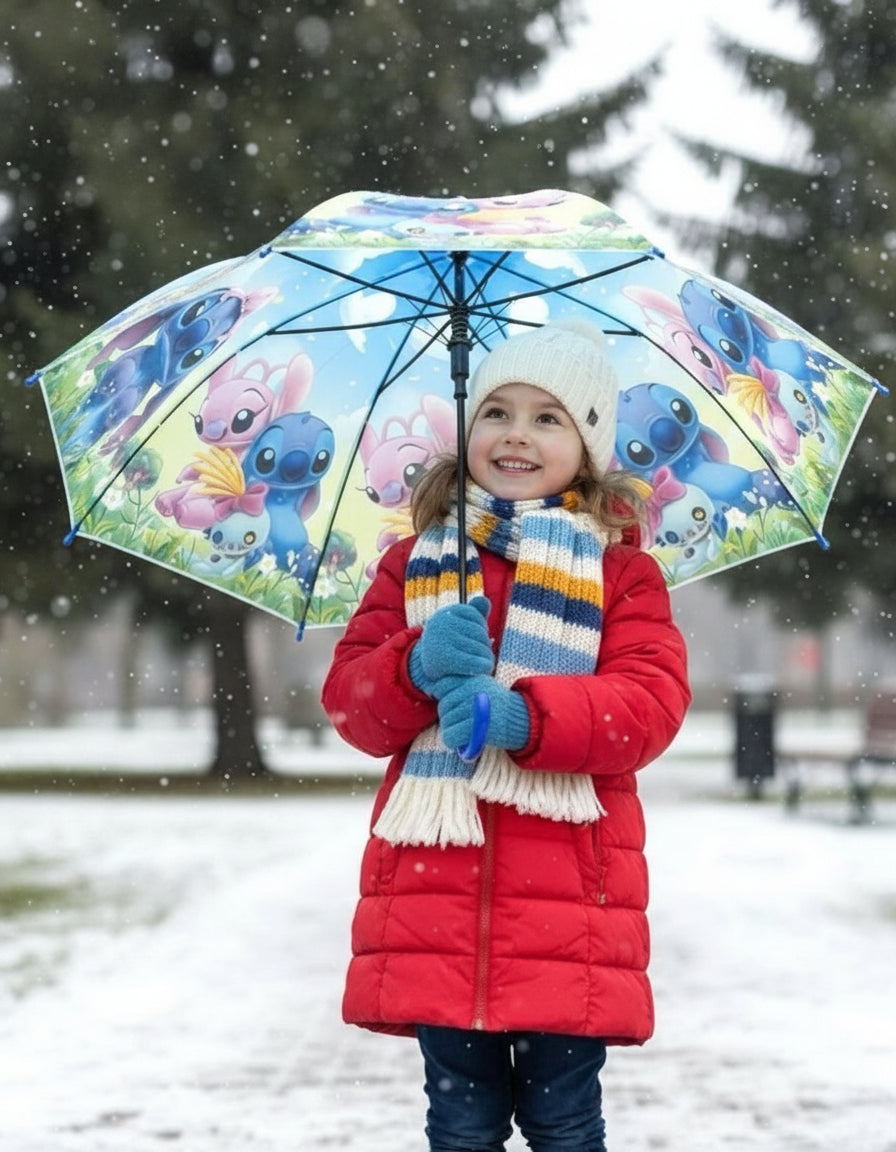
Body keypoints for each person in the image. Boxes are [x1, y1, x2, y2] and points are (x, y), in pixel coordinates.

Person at [321, 319, 691, 1152]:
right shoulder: (415, 562)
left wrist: (525, 717)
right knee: (459, 1122)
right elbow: (350, 705)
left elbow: (648, 706)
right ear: (468, 431)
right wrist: (414, 665)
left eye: (548, 417)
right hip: (435, 895)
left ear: (588, 450)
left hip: (571, 903)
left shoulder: (623, 574)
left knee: (564, 1123)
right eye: (496, 411)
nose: (516, 433)